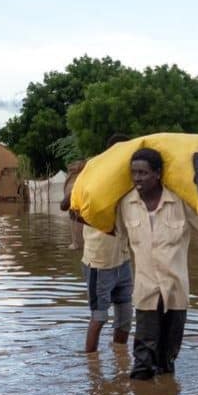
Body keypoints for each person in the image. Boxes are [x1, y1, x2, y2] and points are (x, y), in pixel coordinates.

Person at [116, 147, 198, 380]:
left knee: (168, 360)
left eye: (143, 173)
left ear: (158, 174)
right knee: (143, 362)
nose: (138, 178)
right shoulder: (126, 205)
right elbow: (115, 233)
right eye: (134, 173)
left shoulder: (179, 201)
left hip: (175, 292)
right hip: (145, 292)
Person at [62, 134, 134, 352]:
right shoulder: (92, 173)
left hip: (123, 259)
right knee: (99, 317)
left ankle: (119, 359)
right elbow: (67, 206)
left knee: (125, 320)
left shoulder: (128, 177)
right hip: (98, 262)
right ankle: (92, 370)